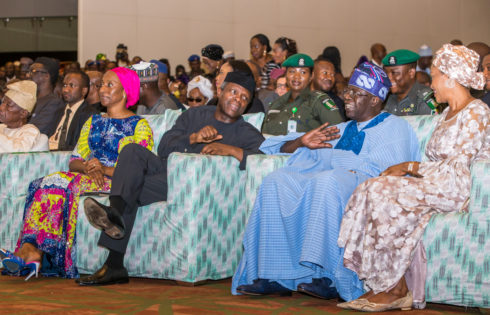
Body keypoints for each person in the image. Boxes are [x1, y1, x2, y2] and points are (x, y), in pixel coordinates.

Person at [232, 62, 420, 301]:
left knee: (328, 180)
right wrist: (302, 142)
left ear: (374, 100)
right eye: (348, 92)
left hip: (363, 187)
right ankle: (275, 274)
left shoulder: (395, 127)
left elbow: (390, 172)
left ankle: (329, 276)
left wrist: (338, 159)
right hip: (327, 179)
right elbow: (271, 146)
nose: (347, 97)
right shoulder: (340, 129)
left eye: (356, 93)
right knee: (276, 181)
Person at [337, 44, 489, 312]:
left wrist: (409, 167)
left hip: (457, 186)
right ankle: (381, 282)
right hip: (436, 181)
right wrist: (411, 170)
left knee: (384, 191)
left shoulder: (476, 111)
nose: (431, 84)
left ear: (451, 78)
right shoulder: (445, 114)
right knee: (371, 187)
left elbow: (458, 165)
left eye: (435, 76)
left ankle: (396, 289)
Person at [77, 71, 265, 286]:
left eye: (244, 97)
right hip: (163, 168)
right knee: (131, 151)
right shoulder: (195, 115)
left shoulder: (246, 132)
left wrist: (230, 149)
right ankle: (116, 219)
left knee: (128, 186)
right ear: (220, 92)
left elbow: (265, 159)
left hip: (184, 185)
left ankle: (114, 262)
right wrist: (194, 138)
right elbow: (165, 146)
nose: (237, 99)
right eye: (233, 92)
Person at [0, 67, 154, 279]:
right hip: (89, 175)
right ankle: (30, 249)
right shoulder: (93, 122)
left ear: (126, 91)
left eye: (110, 85)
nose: (102, 90)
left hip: (116, 181)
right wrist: (89, 166)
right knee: (42, 183)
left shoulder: (139, 125)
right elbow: (74, 161)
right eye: (101, 85)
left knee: (61, 184)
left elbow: (138, 167)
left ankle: (36, 254)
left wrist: (102, 169)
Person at [262, 54, 343, 135]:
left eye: (303, 72)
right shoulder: (276, 104)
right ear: (286, 75)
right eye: (292, 71)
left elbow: (338, 132)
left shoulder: (319, 101)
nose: (297, 77)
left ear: (311, 76)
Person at [49, 71, 100, 151]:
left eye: (72, 86)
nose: (66, 90)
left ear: (84, 91)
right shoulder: (58, 112)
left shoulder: (90, 114)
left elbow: (82, 147)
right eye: (65, 85)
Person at [383, 49, 438, 115]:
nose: (389, 78)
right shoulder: (387, 98)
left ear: (411, 73)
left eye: (395, 73)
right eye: (386, 73)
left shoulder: (425, 99)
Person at [0, 80, 48, 152]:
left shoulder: (30, 131)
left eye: (8, 105)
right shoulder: (1, 127)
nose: (1, 107)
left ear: (23, 113)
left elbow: (19, 151)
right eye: (3, 102)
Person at [27, 57, 65, 137]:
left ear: (46, 76)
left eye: (33, 71)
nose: (28, 75)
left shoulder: (54, 103)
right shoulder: (31, 99)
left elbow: (37, 131)